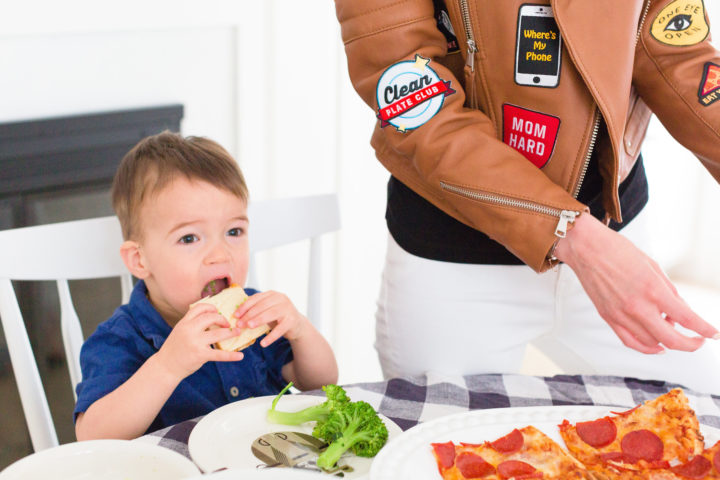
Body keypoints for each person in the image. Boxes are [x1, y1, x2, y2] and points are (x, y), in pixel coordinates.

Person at [334, 0, 720, 393]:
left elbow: (673, 49)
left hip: (614, 234)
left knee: (697, 418)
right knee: (438, 443)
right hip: (455, 261)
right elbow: (421, 113)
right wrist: (574, 237)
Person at [74, 131, 338, 439]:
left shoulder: (254, 313)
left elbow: (321, 382)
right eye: (189, 238)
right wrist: (167, 367)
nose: (220, 254)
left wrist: (300, 331)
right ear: (139, 260)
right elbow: (92, 436)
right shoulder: (120, 339)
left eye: (234, 231)